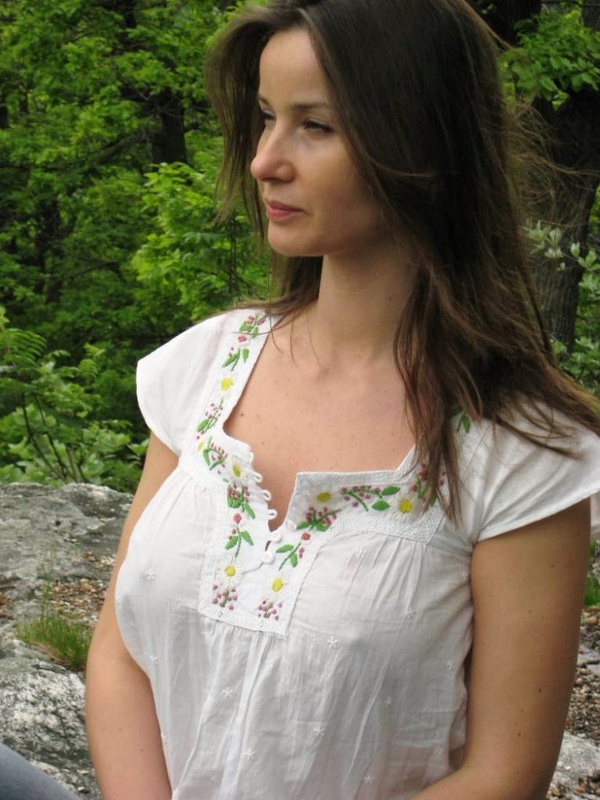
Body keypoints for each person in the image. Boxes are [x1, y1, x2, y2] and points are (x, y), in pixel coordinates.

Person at [85, 1, 600, 799]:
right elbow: (122, 652)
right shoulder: (205, 368)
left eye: (315, 126)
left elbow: (504, 774)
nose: (264, 161)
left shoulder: (521, 452)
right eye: (266, 118)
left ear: (423, 145)